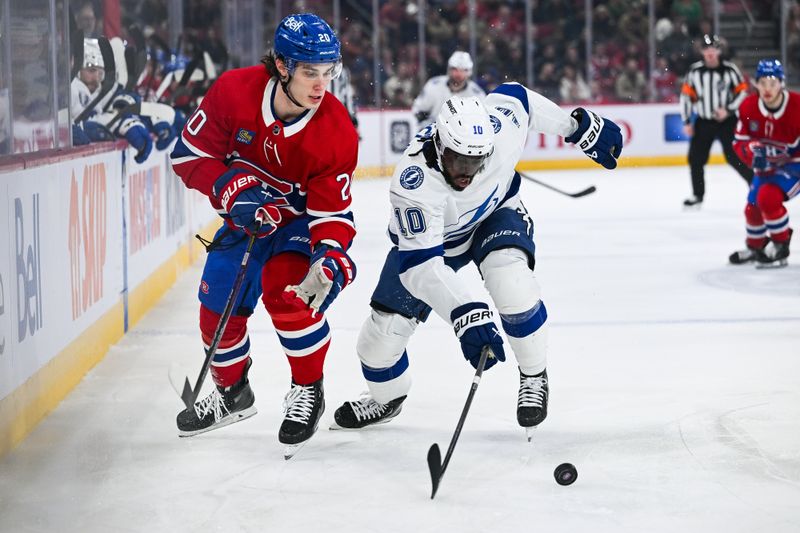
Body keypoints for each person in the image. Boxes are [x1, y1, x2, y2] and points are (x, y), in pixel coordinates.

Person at [330, 85, 622, 438]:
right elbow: (422, 267)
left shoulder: (501, 128)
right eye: (458, 160)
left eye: (475, 160)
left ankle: (533, 373)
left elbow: (519, 96)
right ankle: (386, 398)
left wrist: (576, 127)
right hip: (434, 245)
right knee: (376, 345)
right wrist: (465, 312)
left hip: (495, 217)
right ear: (439, 145)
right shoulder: (413, 183)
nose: (466, 172)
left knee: (511, 286)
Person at [169, 13, 359, 455]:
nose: (320, 85)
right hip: (242, 222)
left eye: (328, 73)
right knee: (215, 309)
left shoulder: (335, 130)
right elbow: (187, 156)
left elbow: (332, 213)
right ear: (281, 65)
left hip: (294, 226)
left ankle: (309, 389)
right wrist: (233, 189)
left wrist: (329, 257)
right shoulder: (233, 92)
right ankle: (234, 394)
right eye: (310, 72)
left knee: (289, 294)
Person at [729, 59, 799, 267]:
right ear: (756, 84)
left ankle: (780, 245)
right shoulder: (748, 106)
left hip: (794, 168)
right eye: (763, 83)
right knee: (752, 208)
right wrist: (750, 152)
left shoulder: (797, 106)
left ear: (781, 83)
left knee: (767, 197)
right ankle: (756, 246)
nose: (767, 88)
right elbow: (739, 142)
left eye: (773, 82)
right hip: (766, 169)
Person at [680, 34, 753, 207]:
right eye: (706, 49)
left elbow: (743, 91)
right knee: (696, 159)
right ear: (702, 52)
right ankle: (698, 195)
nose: (710, 53)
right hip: (704, 121)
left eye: (713, 49)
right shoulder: (695, 71)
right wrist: (687, 121)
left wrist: (728, 110)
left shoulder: (730, 69)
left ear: (719, 50)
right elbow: (686, 97)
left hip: (727, 121)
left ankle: (754, 185)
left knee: (735, 157)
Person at [411, 51, 485, 129]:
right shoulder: (434, 85)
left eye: (463, 70)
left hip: (465, 136)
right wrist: (428, 127)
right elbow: (419, 110)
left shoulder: (477, 94)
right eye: (455, 69)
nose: (458, 74)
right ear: (449, 69)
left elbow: (482, 120)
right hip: (434, 133)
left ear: (469, 72)